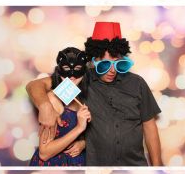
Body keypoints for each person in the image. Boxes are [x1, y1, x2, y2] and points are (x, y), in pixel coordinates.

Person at [27, 21, 162, 166]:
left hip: (134, 165)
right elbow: (34, 85)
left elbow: (149, 126)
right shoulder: (81, 79)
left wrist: (158, 167)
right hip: (97, 169)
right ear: (94, 60)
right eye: (104, 64)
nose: (112, 70)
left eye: (117, 63)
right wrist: (45, 106)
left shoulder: (137, 83)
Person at [29, 47, 91, 166]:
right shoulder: (53, 99)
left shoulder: (84, 96)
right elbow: (44, 153)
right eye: (66, 68)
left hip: (78, 164)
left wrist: (84, 143)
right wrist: (79, 128)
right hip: (54, 165)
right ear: (59, 70)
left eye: (77, 69)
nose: (72, 75)